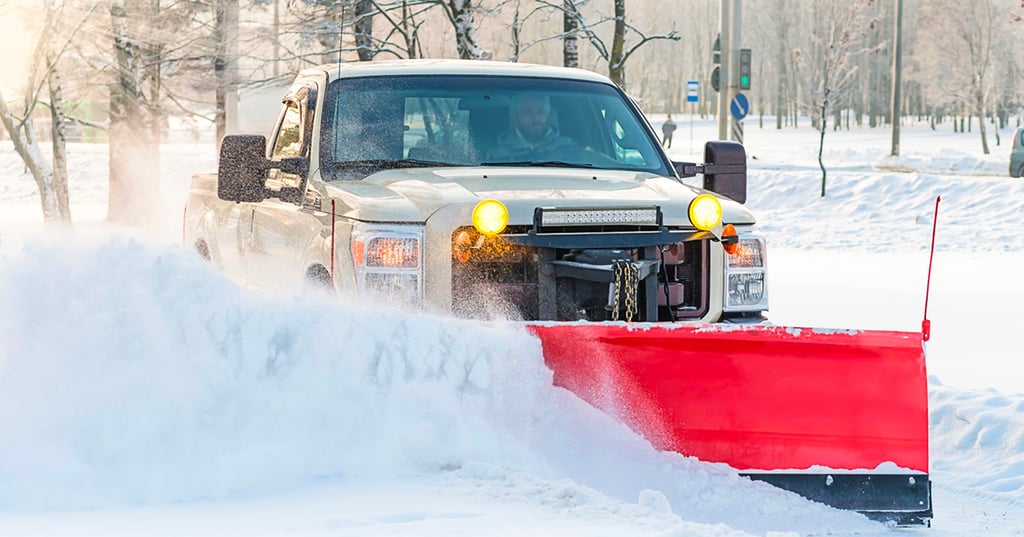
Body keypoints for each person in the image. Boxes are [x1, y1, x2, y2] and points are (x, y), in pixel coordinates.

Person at [489, 93, 573, 160]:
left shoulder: (569, 147)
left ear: (547, 116)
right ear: (514, 117)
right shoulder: (496, 153)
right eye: (528, 112)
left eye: (540, 112)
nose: (535, 118)